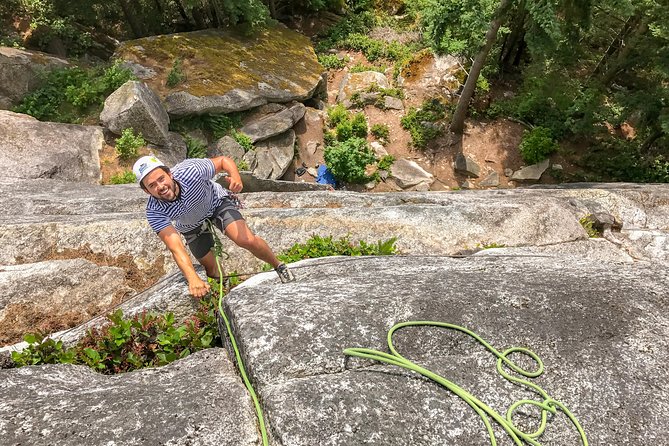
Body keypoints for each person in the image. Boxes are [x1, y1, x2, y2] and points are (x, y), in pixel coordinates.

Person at [133, 155, 295, 298]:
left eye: (161, 179)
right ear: (147, 191)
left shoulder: (190, 171)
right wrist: (192, 278)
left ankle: (278, 265)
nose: (160, 187)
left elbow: (223, 161)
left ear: (170, 174)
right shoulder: (154, 211)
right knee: (211, 269)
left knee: (246, 240)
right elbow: (175, 247)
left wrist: (235, 176)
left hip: (216, 203)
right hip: (190, 224)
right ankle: (227, 292)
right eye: (152, 185)